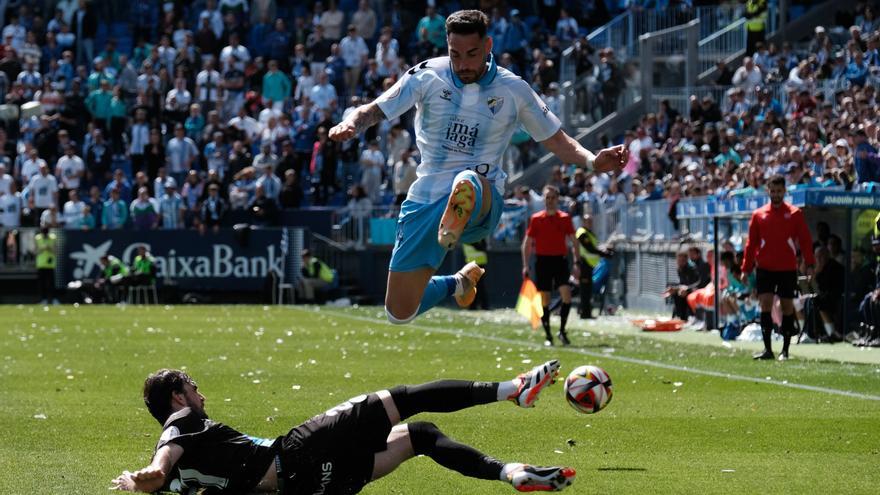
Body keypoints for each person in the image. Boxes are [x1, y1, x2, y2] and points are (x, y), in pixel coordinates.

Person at [328, 10, 626, 326]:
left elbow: (557, 140)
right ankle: (459, 281)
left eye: (472, 54)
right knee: (399, 311)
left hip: (482, 198)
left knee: (468, 178)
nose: (463, 64)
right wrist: (351, 122)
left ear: (488, 46)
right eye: (455, 54)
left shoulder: (513, 89)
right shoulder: (427, 75)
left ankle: (464, 197)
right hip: (425, 199)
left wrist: (592, 161)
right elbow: (375, 109)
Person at [111, 361, 575, 493]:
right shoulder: (180, 422)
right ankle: (512, 389)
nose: (201, 395)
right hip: (296, 452)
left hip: (314, 485)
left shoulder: (185, 477)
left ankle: (512, 472)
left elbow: (168, 475)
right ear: (177, 398)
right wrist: (143, 476)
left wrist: (148, 479)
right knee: (406, 400)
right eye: (192, 388)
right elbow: (162, 462)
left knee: (420, 437)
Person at [741, 175, 815, 361]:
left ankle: (785, 350)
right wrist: (746, 268)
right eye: (772, 191)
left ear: (784, 191)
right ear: (768, 191)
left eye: (779, 191)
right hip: (765, 267)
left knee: (787, 306)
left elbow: (805, 240)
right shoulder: (759, 215)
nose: (775, 194)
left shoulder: (795, 213)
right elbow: (751, 244)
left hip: (786, 268)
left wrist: (810, 264)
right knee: (765, 304)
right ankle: (767, 350)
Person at [521, 185, 578, 346]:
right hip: (543, 261)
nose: (550, 201)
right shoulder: (536, 219)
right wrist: (525, 265)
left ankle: (562, 330)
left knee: (566, 295)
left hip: (560, 260)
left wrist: (577, 262)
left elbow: (574, 241)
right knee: (544, 299)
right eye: (547, 197)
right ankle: (548, 335)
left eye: (553, 197)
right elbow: (527, 243)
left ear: (557, 199)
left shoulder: (565, 218)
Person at [575, 214, 613, 319]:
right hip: (584, 263)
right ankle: (585, 312)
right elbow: (589, 248)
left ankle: (586, 311)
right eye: (588, 221)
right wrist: (604, 253)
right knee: (585, 290)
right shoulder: (582, 233)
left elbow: (595, 246)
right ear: (583, 222)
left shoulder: (589, 233)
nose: (590, 223)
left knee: (587, 289)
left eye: (591, 221)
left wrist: (605, 250)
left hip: (589, 264)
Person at [462, 239, 489, 310]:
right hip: (476, 262)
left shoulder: (468, 236)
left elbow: (481, 246)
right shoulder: (476, 236)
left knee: (476, 286)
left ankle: (476, 306)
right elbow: (482, 247)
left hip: (474, 262)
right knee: (478, 286)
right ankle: (481, 305)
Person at [35, 226, 58, 305]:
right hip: (41, 264)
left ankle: (54, 299)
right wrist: (42, 249)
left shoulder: (53, 238)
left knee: (51, 284)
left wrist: (50, 248)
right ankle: (43, 300)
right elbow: (34, 251)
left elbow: (56, 251)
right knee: (42, 284)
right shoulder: (37, 238)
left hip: (50, 265)